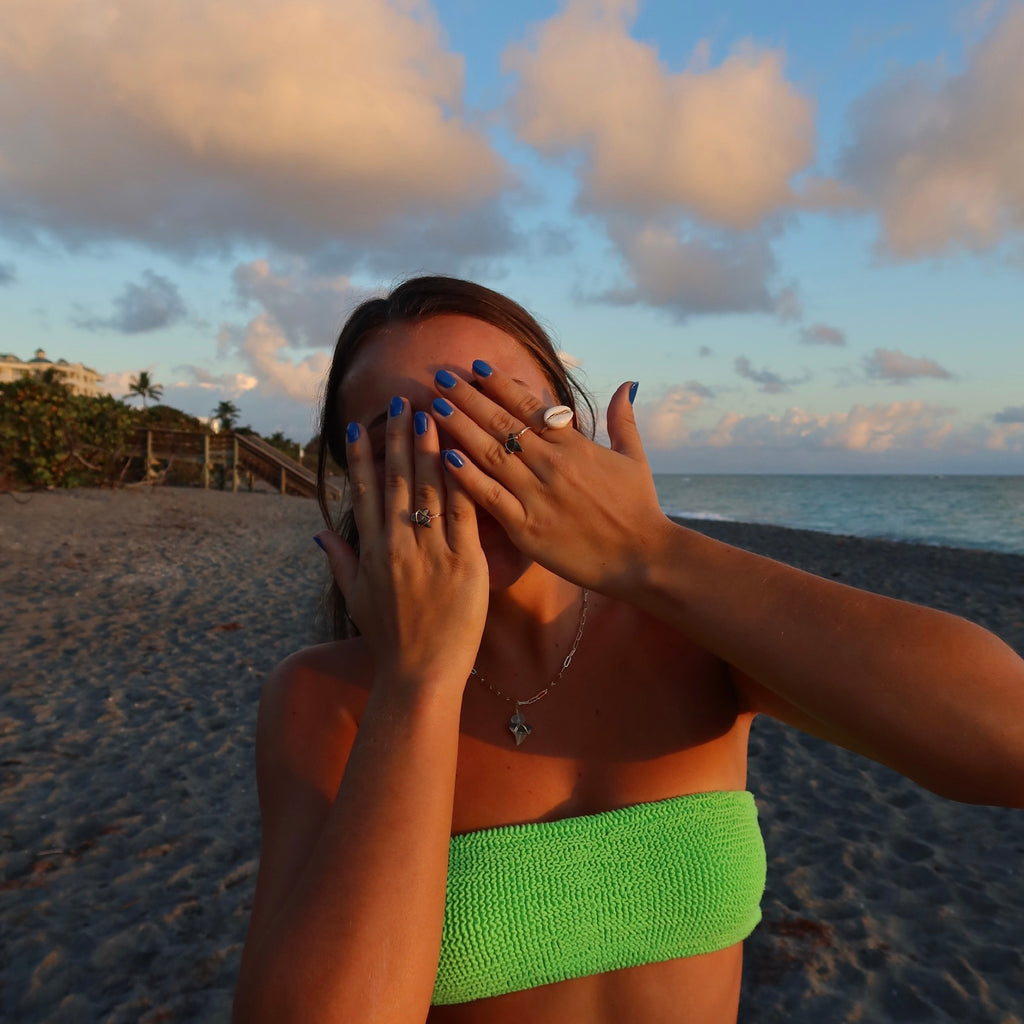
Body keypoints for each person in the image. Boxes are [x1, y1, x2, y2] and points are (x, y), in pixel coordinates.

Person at [232, 276, 1024, 1023]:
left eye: (498, 418)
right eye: (405, 443)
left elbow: (1006, 742)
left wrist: (652, 553)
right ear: (356, 485)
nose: (467, 464)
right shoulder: (328, 700)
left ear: (570, 430)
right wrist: (418, 682)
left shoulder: (691, 631)